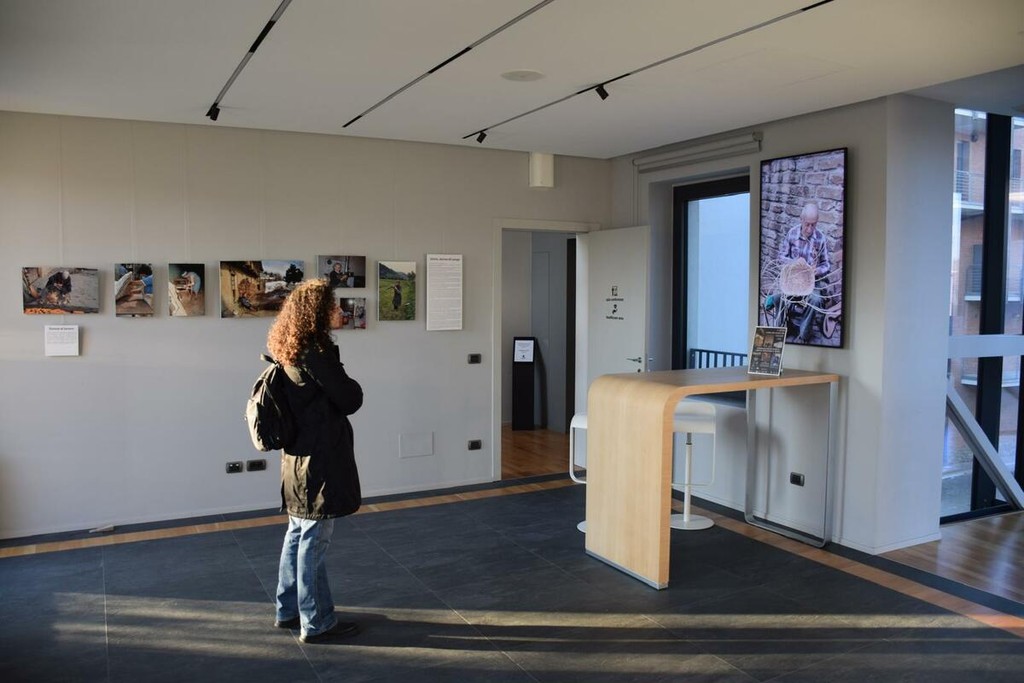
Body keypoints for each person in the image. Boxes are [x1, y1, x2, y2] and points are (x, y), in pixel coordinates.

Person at [266, 279, 364, 644]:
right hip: (319, 461)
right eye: (332, 307)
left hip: (297, 459)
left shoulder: (290, 348)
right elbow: (350, 399)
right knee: (313, 540)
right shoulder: (316, 353)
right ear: (316, 314)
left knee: (298, 534)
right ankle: (317, 621)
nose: (339, 311)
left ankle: (288, 609)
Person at [777, 202, 831, 342]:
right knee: (778, 296)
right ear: (801, 219)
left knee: (816, 299)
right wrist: (794, 263)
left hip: (812, 281)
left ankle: (804, 334)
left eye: (813, 225)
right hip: (792, 279)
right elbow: (781, 257)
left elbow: (826, 265)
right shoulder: (792, 233)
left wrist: (817, 270)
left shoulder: (820, 238)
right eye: (807, 224)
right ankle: (782, 329)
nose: (810, 229)